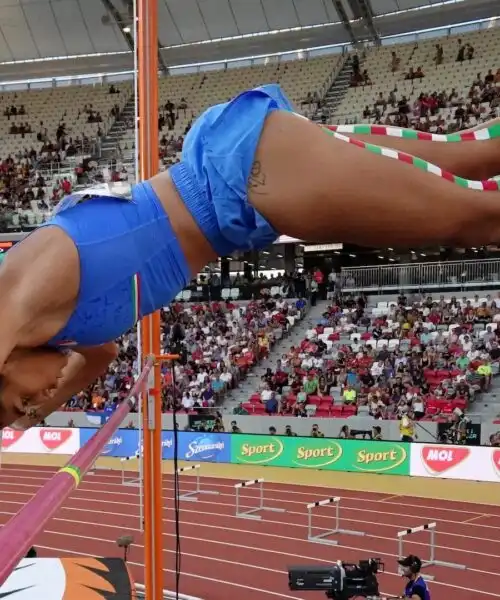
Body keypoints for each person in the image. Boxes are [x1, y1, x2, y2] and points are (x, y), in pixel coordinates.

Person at [2, 83, 500, 430]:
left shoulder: (22, 287)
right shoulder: (65, 330)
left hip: (247, 177)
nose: (37, 399)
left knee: (480, 217)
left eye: (19, 398)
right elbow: (99, 357)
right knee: (475, 153)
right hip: (253, 179)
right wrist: (30, 421)